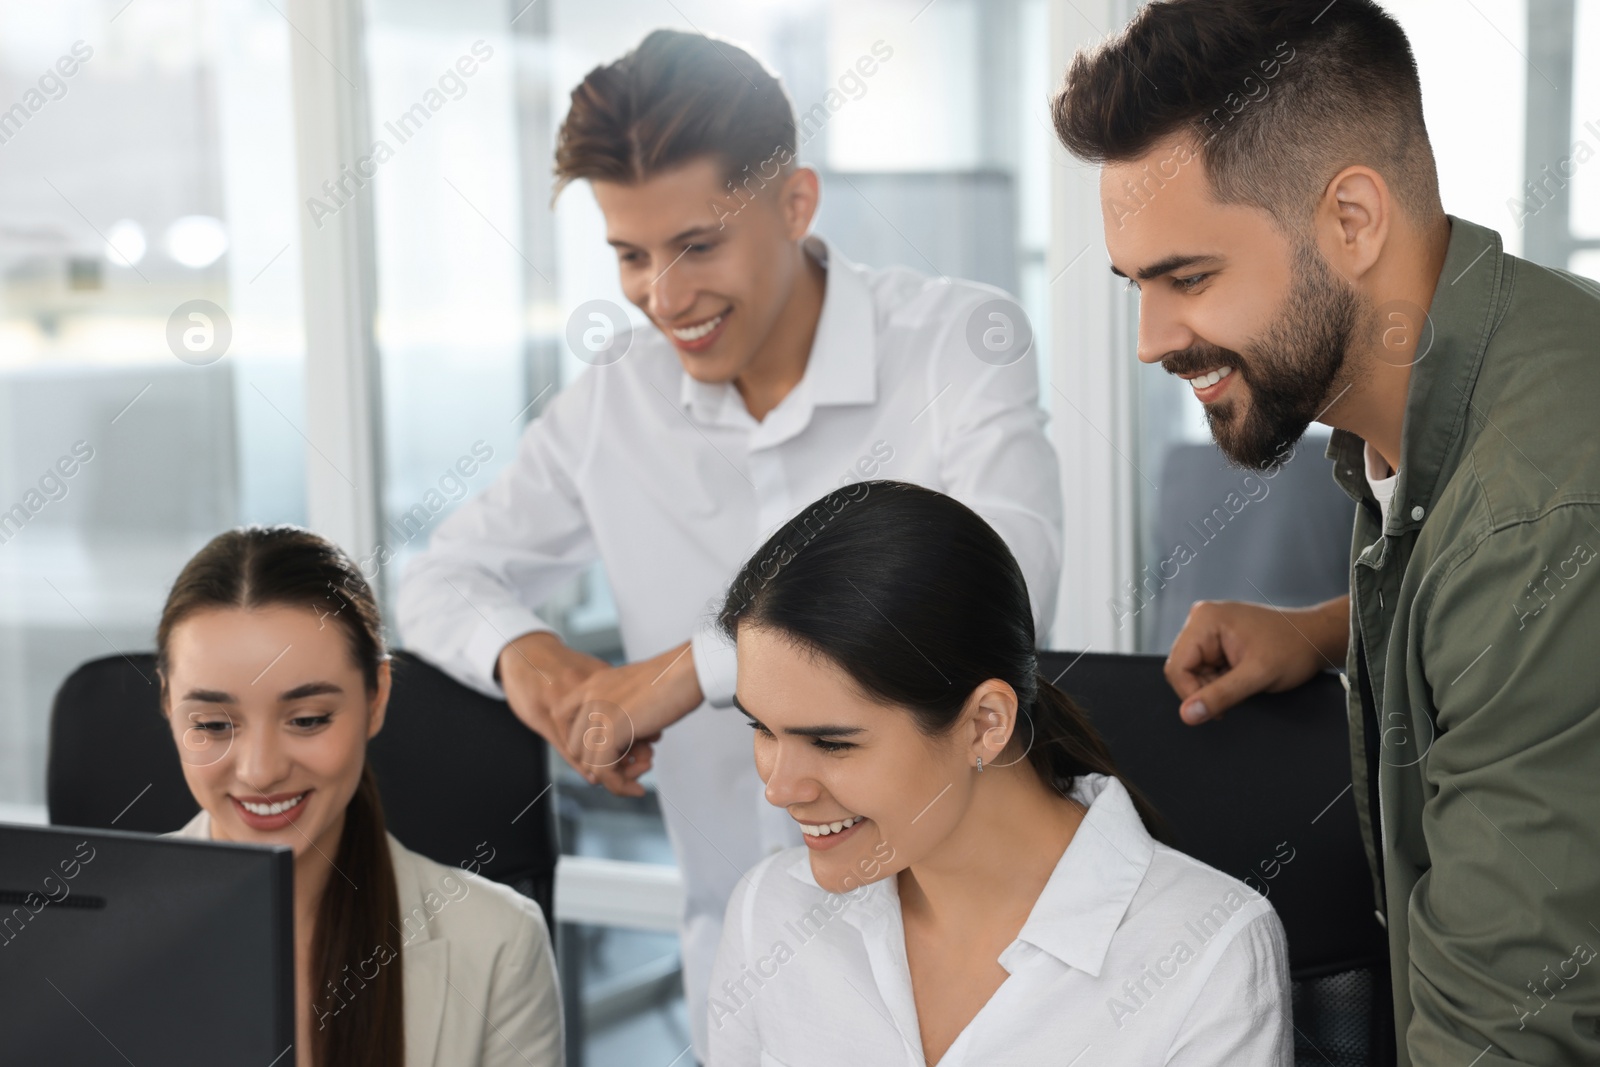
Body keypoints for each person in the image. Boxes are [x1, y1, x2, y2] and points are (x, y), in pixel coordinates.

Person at [397, 29, 1063, 1057]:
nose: (663, 297)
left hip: (979, 958)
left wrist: (691, 670)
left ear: (794, 202)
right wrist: (542, 663)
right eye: (630, 254)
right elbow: (441, 579)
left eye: (698, 245)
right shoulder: (614, 401)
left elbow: (1007, 584)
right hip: (741, 976)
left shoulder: (954, 345)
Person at [1053, 2, 1600, 1063]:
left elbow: (1507, 1035)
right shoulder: (1484, 382)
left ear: (1351, 220)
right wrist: (1334, 627)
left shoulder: (1532, 506)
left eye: (1189, 278)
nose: (1151, 340)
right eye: (1136, 285)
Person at [706, 481, 1290, 1066]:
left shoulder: (1207, 952)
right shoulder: (771, 910)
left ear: (986, 723)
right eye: (762, 728)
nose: (779, 790)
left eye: (831, 743)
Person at [158, 526, 563, 1067]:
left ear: (377, 699)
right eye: (211, 724)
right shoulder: (85, 934)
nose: (260, 771)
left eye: (307, 719)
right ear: (167, 705)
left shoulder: (499, 947)